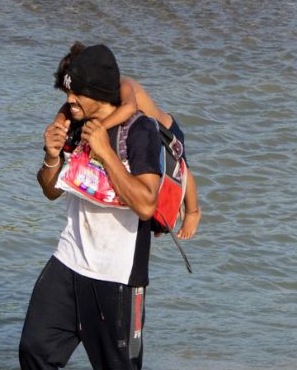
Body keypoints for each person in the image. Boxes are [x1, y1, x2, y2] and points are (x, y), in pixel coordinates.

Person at [19, 43, 163, 370]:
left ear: (98, 92)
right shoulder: (74, 123)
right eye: (67, 91)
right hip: (69, 261)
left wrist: (106, 152)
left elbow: (147, 204)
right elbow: (51, 191)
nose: (69, 101)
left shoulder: (141, 131)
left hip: (118, 278)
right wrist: (51, 157)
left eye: (76, 92)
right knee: (34, 350)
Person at [53, 42, 201, 240]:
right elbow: (66, 106)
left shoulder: (124, 83)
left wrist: (100, 129)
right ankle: (161, 216)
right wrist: (59, 121)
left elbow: (129, 108)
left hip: (165, 129)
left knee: (182, 170)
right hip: (143, 133)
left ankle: (193, 211)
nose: (71, 99)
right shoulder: (89, 94)